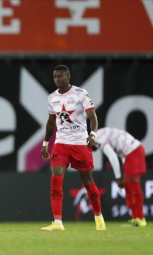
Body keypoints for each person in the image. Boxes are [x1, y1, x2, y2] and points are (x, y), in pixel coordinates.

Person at [40, 65, 106, 231]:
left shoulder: (80, 93)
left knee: (87, 181)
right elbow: (51, 123)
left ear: (68, 77)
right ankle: (57, 222)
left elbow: (93, 117)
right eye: (55, 76)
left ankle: (99, 218)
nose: (57, 79)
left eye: (61, 76)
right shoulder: (52, 98)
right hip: (61, 143)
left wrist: (92, 135)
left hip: (79, 143)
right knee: (56, 177)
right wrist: (46, 143)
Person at [92, 127, 147, 227]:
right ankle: (135, 218)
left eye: (89, 148)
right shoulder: (98, 134)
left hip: (134, 151)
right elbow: (120, 149)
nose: (92, 150)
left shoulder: (97, 139)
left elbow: (112, 156)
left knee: (133, 185)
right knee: (128, 185)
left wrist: (118, 178)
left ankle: (141, 218)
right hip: (130, 154)